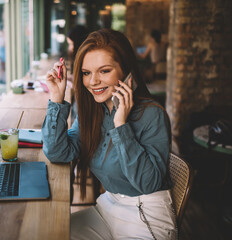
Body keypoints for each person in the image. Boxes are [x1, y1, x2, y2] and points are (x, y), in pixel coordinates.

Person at [43, 29, 177, 239]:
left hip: (147, 217)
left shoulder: (152, 115)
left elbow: (147, 184)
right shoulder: (93, 111)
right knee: (51, 234)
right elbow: (58, 152)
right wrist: (57, 99)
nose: (93, 81)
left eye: (104, 71)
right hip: (108, 207)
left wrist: (121, 125)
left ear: (126, 72)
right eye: (86, 73)